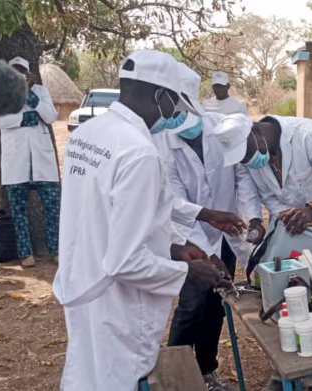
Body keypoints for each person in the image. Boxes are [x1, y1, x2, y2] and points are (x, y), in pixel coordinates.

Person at [54, 50, 230, 391]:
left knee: (85, 374)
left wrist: (179, 247)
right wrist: (188, 273)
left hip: (84, 280)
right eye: (178, 106)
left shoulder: (89, 134)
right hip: (117, 303)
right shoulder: (139, 152)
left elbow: (117, 213)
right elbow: (125, 262)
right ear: (163, 97)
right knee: (114, 380)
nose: (178, 116)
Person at [156, 63, 264, 391]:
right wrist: (205, 233)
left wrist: (252, 216)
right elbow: (173, 202)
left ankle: (207, 373)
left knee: (217, 305)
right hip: (189, 236)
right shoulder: (164, 145)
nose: (178, 122)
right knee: (191, 306)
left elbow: (243, 175)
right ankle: (173, 378)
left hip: (228, 232)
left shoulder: (222, 128)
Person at [208, 114, 312, 314]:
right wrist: (284, 216)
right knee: (293, 305)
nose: (247, 161)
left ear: (255, 131)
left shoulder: (309, 136)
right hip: (293, 236)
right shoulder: (253, 156)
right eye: (242, 159)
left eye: (247, 153)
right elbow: (268, 196)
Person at [0, 56, 60, 268]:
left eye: (22, 72)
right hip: (16, 161)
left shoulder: (41, 92)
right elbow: (1, 120)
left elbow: (50, 116)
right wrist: (25, 119)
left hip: (42, 160)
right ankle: (25, 253)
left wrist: (29, 95)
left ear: (29, 74)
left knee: (52, 208)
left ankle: (56, 250)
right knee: (18, 211)